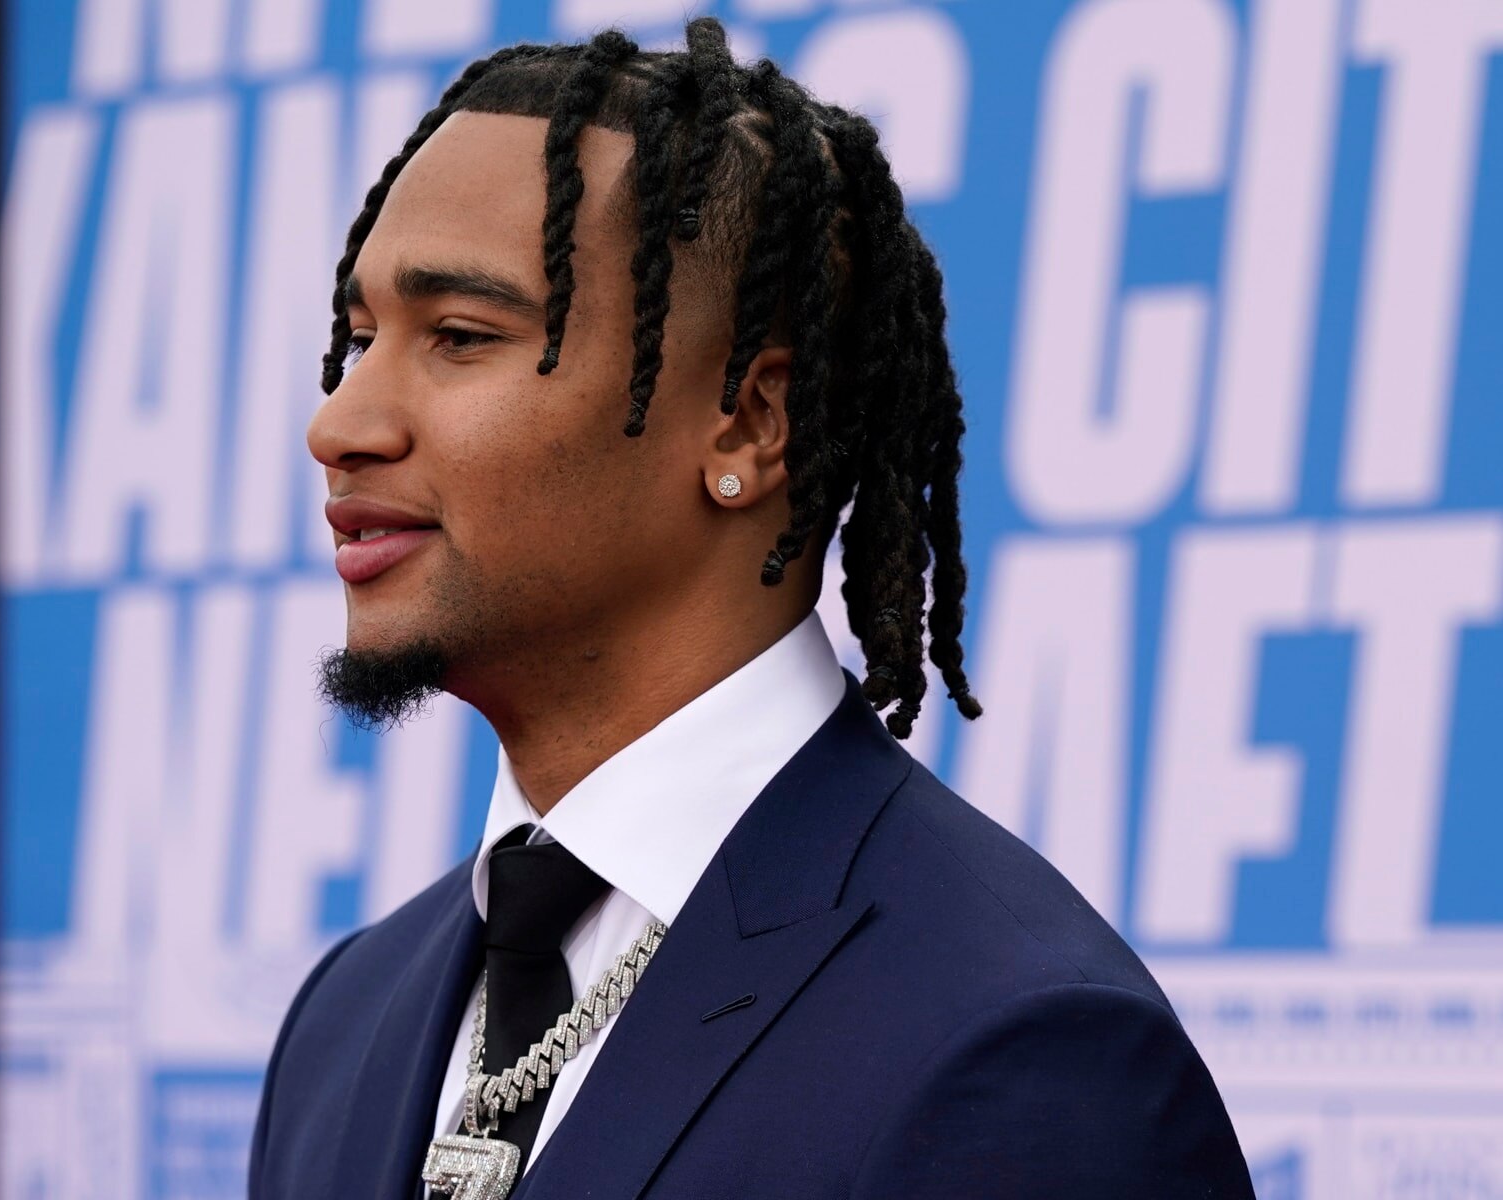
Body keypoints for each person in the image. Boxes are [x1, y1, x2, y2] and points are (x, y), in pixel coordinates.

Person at [250, 18, 1253, 1199]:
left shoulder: (1016, 1049)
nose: (340, 425)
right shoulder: (344, 1020)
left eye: (461, 337)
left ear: (746, 424)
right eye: (362, 339)